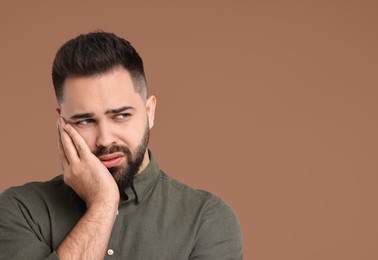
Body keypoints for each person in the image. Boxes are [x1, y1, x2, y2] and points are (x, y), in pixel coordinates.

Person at [0, 31, 243, 259]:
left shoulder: (206, 220)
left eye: (121, 115)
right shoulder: (21, 210)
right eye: (85, 120)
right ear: (62, 123)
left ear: (149, 112)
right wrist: (103, 204)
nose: (105, 139)